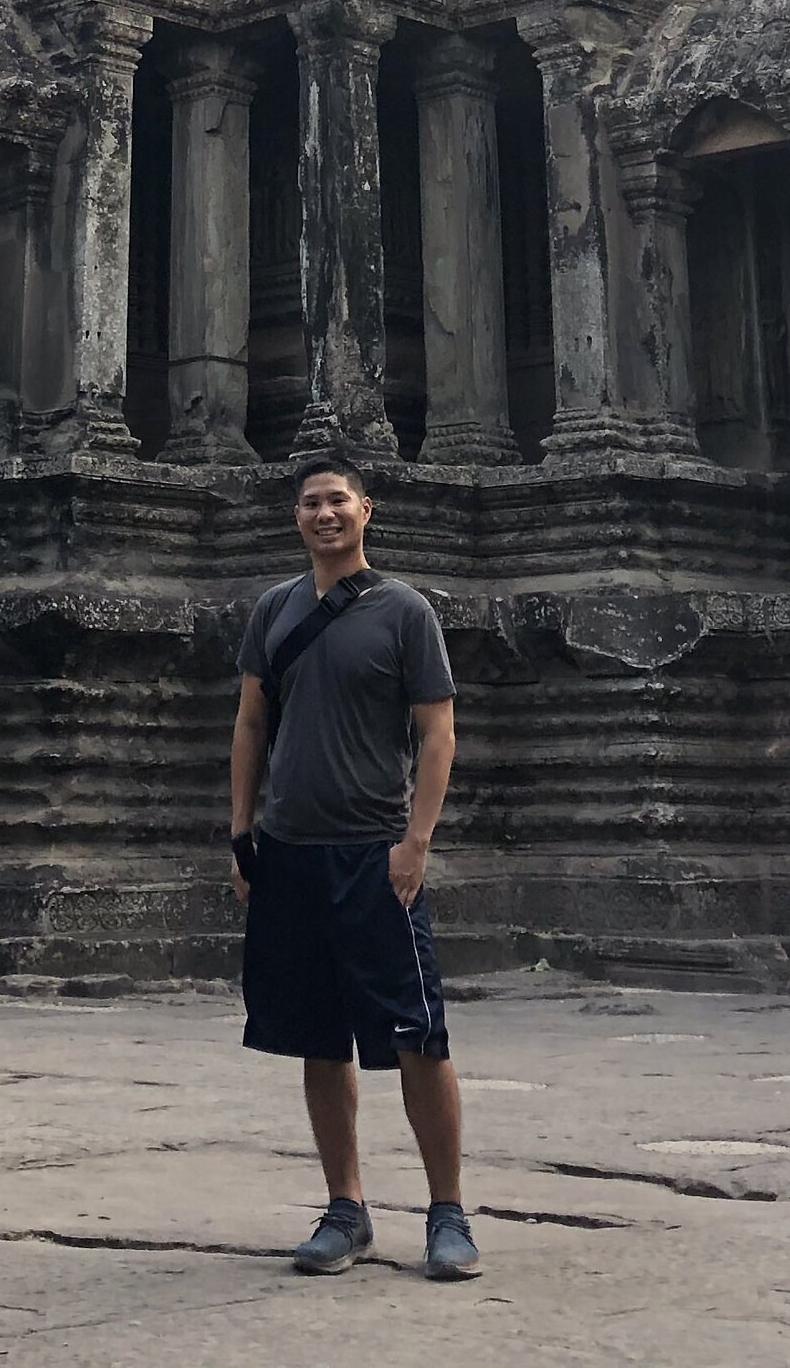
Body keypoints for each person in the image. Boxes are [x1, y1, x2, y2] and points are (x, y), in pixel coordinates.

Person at [228, 454, 480, 1281]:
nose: (325, 513)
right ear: (295, 515)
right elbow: (251, 726)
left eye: (338, 499)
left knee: (417, 1034)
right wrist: (242, 834)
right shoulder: (272, 608)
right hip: (290, 850)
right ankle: (346, 1208)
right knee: (316, 1034)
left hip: (375, 853)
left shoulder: (406, 612)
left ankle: (449, 1213)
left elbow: (437, 734)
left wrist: (416, 842)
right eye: (310, 502)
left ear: (366, 510)